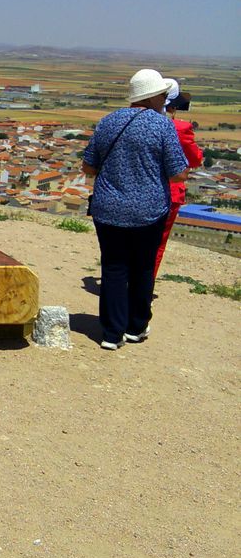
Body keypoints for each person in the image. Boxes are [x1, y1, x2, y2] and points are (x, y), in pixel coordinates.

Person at [82, 68, 188, 350]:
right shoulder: (162, 125)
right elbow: (178, 173)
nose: (165, 100)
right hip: (148, 210)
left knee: (113, 267)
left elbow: (88, 166)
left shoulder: (107, 121)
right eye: (163, 95)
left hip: (108, 208)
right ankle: (135, 327)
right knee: (142, 267)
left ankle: (111, 333)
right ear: (151, 97)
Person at [153, 79, 204, 277]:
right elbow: (195, 159)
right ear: (173, 105)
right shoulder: (180, 128)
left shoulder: (133, 121)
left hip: (133, 187)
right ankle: (143, 287)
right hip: (169, 191)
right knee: (157, 243)